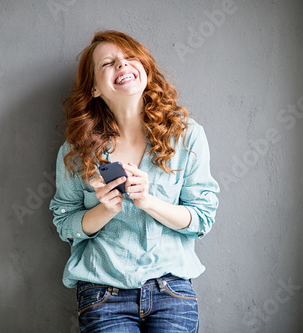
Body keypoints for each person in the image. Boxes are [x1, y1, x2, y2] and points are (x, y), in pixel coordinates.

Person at [50, 30, 219, 333]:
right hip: (103, 292)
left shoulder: (187, 136)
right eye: (108, 63)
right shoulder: (76, 151)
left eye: (130, 58)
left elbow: (202, 218)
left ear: (145, 69)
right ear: (94, 89)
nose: (122, 65)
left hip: (172, 292)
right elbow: (64, 222)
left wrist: (148, 202)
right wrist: (105, 209)